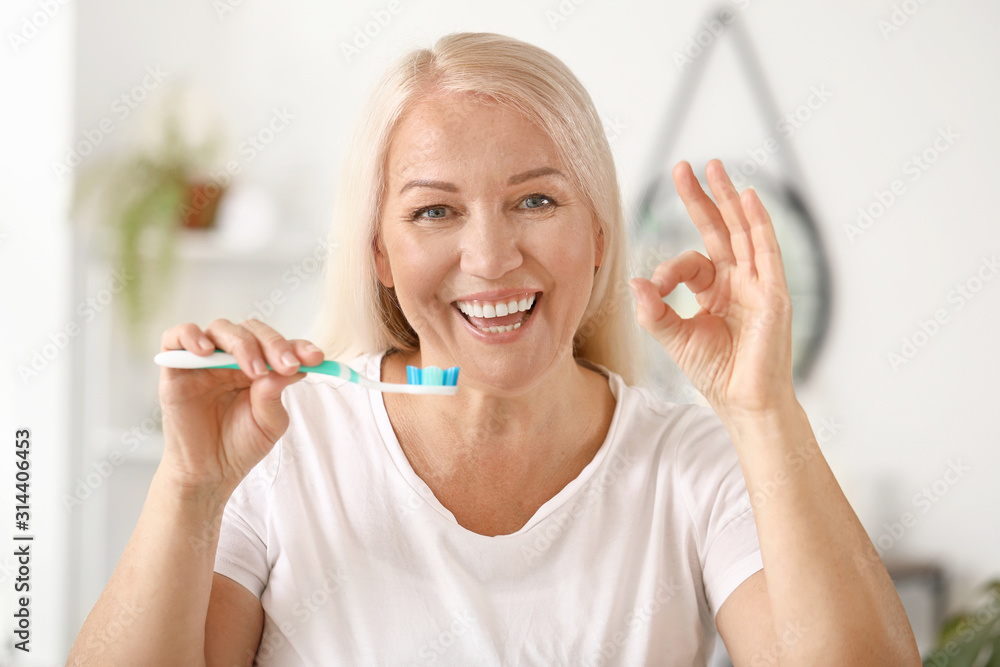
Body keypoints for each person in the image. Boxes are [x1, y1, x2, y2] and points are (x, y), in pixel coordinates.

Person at [68, 32, 920, 666]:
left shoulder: (689, 465)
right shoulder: (285, 445)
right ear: (380, 253)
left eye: (535, 201)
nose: (490, 258)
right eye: (434, 211)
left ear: (597, 230)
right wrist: (189, 489)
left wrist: (764, 410)